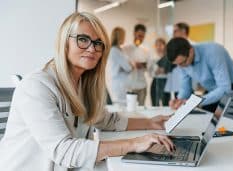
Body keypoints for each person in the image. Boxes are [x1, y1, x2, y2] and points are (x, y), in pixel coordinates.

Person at [0, 12, 174, 171]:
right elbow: (65, 151)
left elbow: (108, 120)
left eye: (98, 43)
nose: (92, 48)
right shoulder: (37, 86)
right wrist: (134, 144)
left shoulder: (82, 84)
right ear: (64, 41)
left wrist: (150, 123)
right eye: (83, 39)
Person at [167, 37, 233, 112]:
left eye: (183, 63)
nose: (181, 67)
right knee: (206, 117)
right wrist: (179, 101)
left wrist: (196, 101)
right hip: (212, 89)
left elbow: (225, 88)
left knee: (225, 121)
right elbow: (185, 88)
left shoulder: (213, 51)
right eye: (178, 64)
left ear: (191, 51)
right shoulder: (182, 63)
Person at [123, 24, 151, 105]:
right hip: (129, 85)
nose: (140, 38)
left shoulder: (146, 50)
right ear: (134, 33)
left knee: (141, 109)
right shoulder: (126, 48)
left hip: (142, 85)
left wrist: (143, 65)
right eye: (139, 35)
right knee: (130, 109)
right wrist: (132, 64)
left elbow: (149, 66)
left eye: (142, 36)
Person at [106, 27, 133, 104]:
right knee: (120, 107)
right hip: (119, 84)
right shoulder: (114, 50)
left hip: (124, 83)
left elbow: (128, 66)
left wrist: (130, 65)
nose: (124, 38)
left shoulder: (120, 50)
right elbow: (129, 67)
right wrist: (131, 65)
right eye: (123, 35)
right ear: (119, 36)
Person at [150, 38, 172, 106]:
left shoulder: (169, 57)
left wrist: (164, 70)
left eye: (160, 45)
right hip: (155, 81)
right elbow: (150, 72)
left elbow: (171, 71)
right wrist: (156, 72)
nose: (159, 47)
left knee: (166, 103)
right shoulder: (152, 57)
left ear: (165, 46)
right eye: (157, 45)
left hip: (165, 81)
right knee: (155, 103)